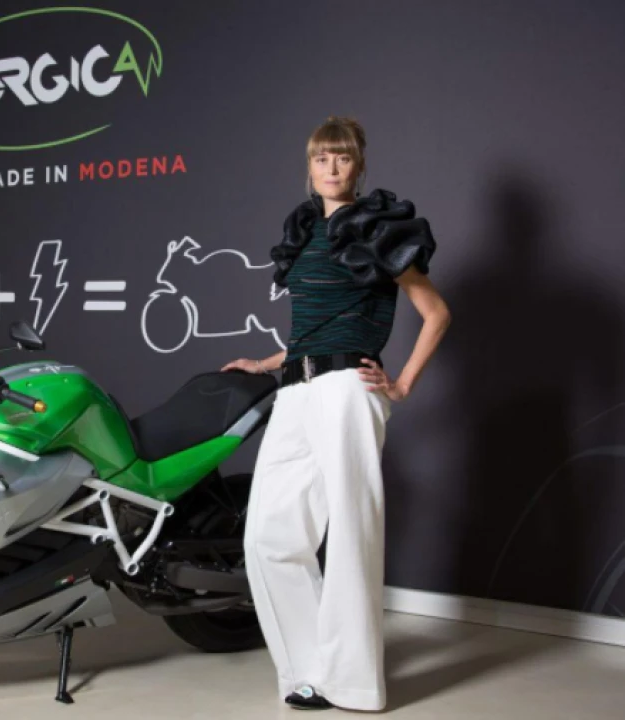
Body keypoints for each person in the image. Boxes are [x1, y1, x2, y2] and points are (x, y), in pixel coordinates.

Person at [222, 116, 451, 711]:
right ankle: (310, 671)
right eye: (322, 158)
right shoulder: (303, 231)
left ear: (359, 166)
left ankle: (353, 684)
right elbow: (314, 324)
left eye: (342, 158)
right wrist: (266, 361)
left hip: (349, 386)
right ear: (309, 166)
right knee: (268, 536)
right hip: (296, 388)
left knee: (350, 533)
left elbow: (436, 313)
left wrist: (401, 384)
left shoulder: (378, 229)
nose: (331, 168)